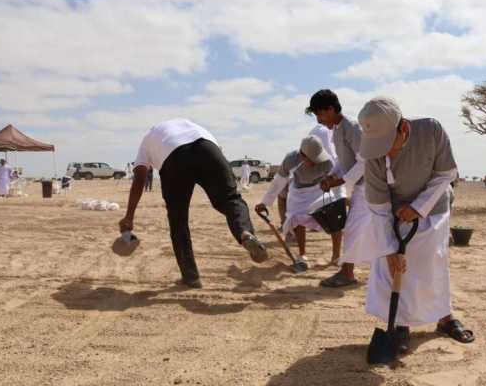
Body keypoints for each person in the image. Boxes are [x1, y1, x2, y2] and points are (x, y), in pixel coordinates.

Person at [358, 97, 474, 349]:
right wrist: (389, 251)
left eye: (387, 143)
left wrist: (418, 207)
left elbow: (445, 174)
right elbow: (378, 209)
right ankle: (401, 325)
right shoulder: (373, 156)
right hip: (393, 212)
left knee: (433, 261)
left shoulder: (431, 130)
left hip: (433, 206)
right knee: (391, 267)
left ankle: (445, 318)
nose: (383, 151)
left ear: (403, 128)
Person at [119, 118, 268, 289]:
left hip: (173, 158)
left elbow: (139, 177)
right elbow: (219, 157)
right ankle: (245, 233)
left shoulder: (148, 139)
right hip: (209, 148)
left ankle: (191, 277)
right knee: (231, 199)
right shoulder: (192, 125)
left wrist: (129, 216)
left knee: (178, 220)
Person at [306, 89, 373, 287]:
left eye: (320, 114)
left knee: (352, 230)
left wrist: (341, 181)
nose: (318, 120)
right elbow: (344, 161)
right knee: (372, 230)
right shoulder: (336, 130)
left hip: (371, 187)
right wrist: (332, 175)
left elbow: (365, 161)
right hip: (362, 187)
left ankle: (347, 273)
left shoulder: (352, 127)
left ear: (331, 109)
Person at [255, 136, 344, 268]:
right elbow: (278, 182)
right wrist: (265, 203)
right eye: (312, 160)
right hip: (298, 192)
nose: (316, 163)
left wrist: (337, 199)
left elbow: (337, 180)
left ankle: (336, 256)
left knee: (334, 219)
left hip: (319, 190)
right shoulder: (291, 160)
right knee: (296, 217)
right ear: (303, 155)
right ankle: (302, 254)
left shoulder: (327, 162)